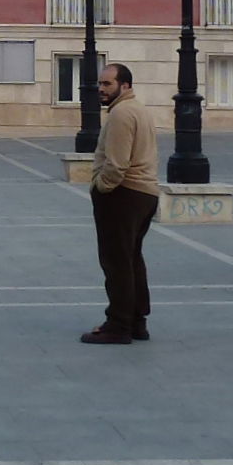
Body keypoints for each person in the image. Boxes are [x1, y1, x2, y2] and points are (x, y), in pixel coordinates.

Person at [82, 62, 159, 345]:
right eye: (100, 84)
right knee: (131, 259)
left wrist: (102, 187)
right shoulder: (138, 109)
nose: (101, 89)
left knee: (116, 262)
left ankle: (119, 325)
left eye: (107, 84)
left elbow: (117, 163)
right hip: (144, 193)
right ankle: (137, 321)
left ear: (124, 86)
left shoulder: (122, 114)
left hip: (123, 194)